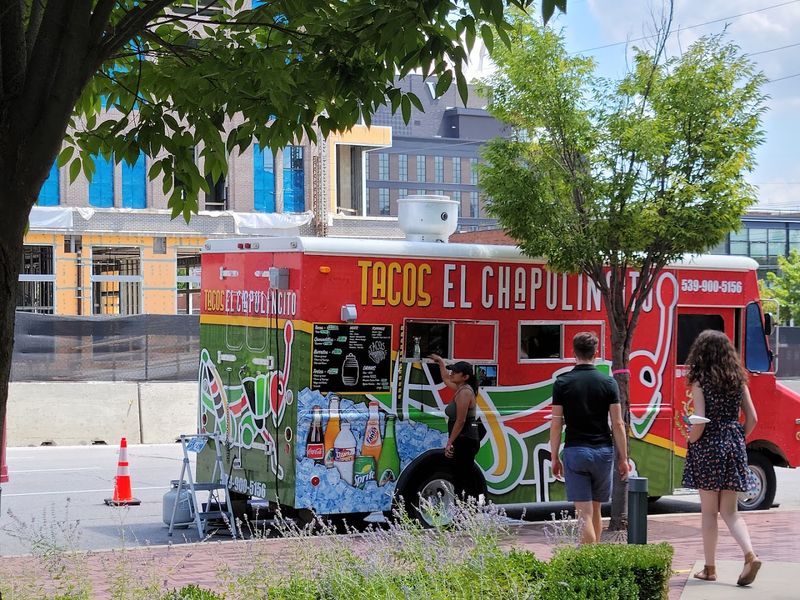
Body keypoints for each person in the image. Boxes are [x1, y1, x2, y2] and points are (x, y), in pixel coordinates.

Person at [682, 329, 760, 586]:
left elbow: (701, 420)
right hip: (733, 444)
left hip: (708, 447)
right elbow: (753, 418)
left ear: (701, 352)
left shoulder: (700, 380)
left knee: (708, 513)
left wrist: (691, 438)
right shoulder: (738, 380)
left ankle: (710, 568)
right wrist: (737, 437)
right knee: (731, 512)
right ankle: (749, 555)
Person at [549, 331, 630, 544]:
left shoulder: (562, 383)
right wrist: (623, 458)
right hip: (603, 451)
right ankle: (596, 560)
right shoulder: (608, 383)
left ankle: (589, 562)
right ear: (596, 353)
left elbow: (556, 423)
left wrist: (554, 456)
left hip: (575, 450)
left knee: (583, 512)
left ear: (573, 352)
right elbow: (618, 424)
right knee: (596, 509)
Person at [430, 354, 481, 499]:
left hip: (465, 439)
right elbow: (446, 379)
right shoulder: (461, 388)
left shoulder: (465, 392)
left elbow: (460, 420)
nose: (451, 373)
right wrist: (440, 362)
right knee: (460, 476)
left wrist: (449, 442)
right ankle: (464, 509)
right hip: (464, 439)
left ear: (465, 376)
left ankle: (465, 510)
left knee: (462, 477)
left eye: (455, 371)